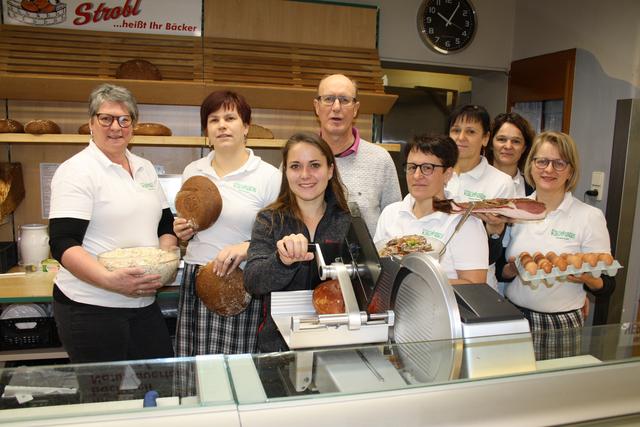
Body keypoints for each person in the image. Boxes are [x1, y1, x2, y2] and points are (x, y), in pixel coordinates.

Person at [48, 83, 176, 363]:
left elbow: (165, 226)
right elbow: (62, 242)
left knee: (161, 386)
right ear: (91, 123)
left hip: (143, 303)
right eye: (105, 118)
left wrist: (165, 259)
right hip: (91, 307)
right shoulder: (77, 171)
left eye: (124, 119)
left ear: (133, 124)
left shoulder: (144, 168)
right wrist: (110, 281)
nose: (115, 127)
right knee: (102, 398)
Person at [173, 90, 281, 359]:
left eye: (230, 118)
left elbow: (280, 236)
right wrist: (181, 231)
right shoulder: (193, 170)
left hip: (241, 281)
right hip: (198, 277)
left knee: (237, 371)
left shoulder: (269, 176)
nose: (222, 125)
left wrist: (247, 247)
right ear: (206, 130)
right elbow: (191, 223)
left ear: (245, 127)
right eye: (213, 119)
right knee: (195, 369)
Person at [492, 131, 611, 359]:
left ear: (571, 170)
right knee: (511, 388)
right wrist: (510, 269)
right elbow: (499, 268)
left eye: (559, 163)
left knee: (554, 392)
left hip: (561, 323)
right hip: (515, 316)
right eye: (542, 161)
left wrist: (586, 277)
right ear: (531, 165)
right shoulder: (515, 209)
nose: (548, 170)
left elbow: (606, 285)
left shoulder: (589, 216)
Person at [244, 132, 351, 353]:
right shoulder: (269, 220)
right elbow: (253, 281)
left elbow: (366, 283)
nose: (305, 175)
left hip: (338, 344)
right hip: (279, 346)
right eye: (295, 166)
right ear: (285, 171)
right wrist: (281, 261)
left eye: (314, 165)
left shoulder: (349, 222)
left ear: (330, 170)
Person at [374, 134, 488, 284]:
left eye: (427, 168)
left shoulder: (464, 222)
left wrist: (416, 282)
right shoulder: (391, 213)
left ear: (447, 174)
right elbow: (377, 267)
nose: (417, 175)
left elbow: (475, 284)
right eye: (412, 167)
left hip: (441, 306)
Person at [314, 73, 401, 233]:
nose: (336, 107)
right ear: (317, 106)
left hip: (367, 258)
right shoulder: (298, 160)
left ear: (355, 109)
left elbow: (395, 222)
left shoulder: (380, 159)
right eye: (328, 99)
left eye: (345, 100)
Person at [445, 104, 516, 290]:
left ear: (485, 138)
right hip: (437, 276)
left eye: (470, 132)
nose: (461, 138)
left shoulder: (501, 182)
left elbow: (495, 252)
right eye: (456, 130)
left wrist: (494, 228)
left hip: (476, 282)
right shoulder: (437, 174)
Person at [486, 112, 535, 196]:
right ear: (490, 143)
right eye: (501, 139)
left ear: (524, 148)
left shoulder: (533, 188)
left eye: (516, 141)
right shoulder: (474, 182)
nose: (508, 146)